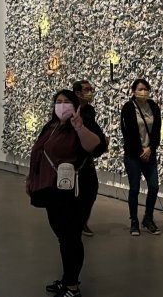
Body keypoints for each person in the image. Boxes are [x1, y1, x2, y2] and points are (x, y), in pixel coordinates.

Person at [26, 90, 106, 297]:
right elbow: (39, 153)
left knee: (71, 237)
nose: (61, 105)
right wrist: (31, 179)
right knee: (63, 236)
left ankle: (72, 287)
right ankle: (67, 279)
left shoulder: (83, 123)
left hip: (76, 191)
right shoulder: (51, 126)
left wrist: (79, 128)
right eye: (58, 101)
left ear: (75, 105)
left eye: (66, 101)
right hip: (53, 190)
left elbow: (96, 147)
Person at [120, 78, 162, 236]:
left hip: (150, 153)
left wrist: (150, 148)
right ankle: (134, 220)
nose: (143, 92)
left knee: (154, 186)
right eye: (140, 89)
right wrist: (140, 151)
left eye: (146, 89)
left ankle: (148, 218)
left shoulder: (153, 107)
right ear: (133, 91)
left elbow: (157, 130)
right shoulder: (128, 107)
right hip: (133, 155)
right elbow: (128, 133)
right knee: (135, 188)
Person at [72, 80, 107, 237]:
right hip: (72, 159)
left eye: (91, 89)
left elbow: (93, 130)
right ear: (77, 93)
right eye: (87, 89)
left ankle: (81, 221)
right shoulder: (71, 111)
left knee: (90, 190)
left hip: (87, 159)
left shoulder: (90, 110)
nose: (90, 92)